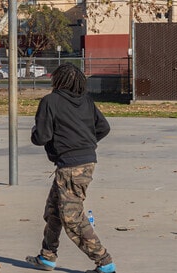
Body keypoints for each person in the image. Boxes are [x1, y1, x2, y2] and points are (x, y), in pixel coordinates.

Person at [26, 63, 116, 273]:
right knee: (54, 211)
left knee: (72, 218)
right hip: (83, 162)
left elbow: (41, 137)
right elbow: (103, 127)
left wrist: (36, 132)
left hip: (71, 168)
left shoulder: (50, 101)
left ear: (57, 81)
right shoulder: (86, 101)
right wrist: (85, 144)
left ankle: (104, 262)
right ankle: (47, 256)